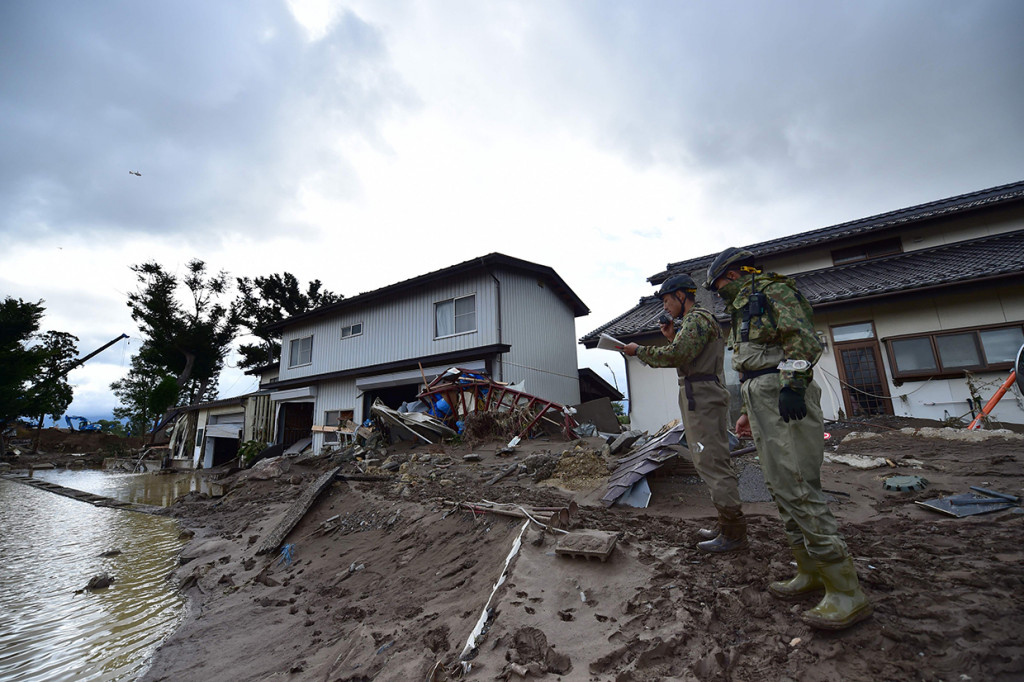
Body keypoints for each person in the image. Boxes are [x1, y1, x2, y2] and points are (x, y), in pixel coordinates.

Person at [705, 247, 872, 630]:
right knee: (779, 485)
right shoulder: (743, 306)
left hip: (783, 396)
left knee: (797, 484)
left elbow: (803, 339)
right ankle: (809, 570)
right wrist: (748, 410)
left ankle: (847, 591)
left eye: (720, 285)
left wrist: (793, 385)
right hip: (760, 397)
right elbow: (753, 361)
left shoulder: (772, 291)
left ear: (733, 275)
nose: (720, 293)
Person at [622, 274, 747, 553]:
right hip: (698, 393)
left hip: (701, 395)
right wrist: (671, 337)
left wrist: (639, 351)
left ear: (681, 296)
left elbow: (677, 355)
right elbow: (684, 350)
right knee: (709, 460)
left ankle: (734, 533)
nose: (666, 307)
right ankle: (727, 525)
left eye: (668, 300)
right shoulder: (695, 323)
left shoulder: (697, 319)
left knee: (712, 462)